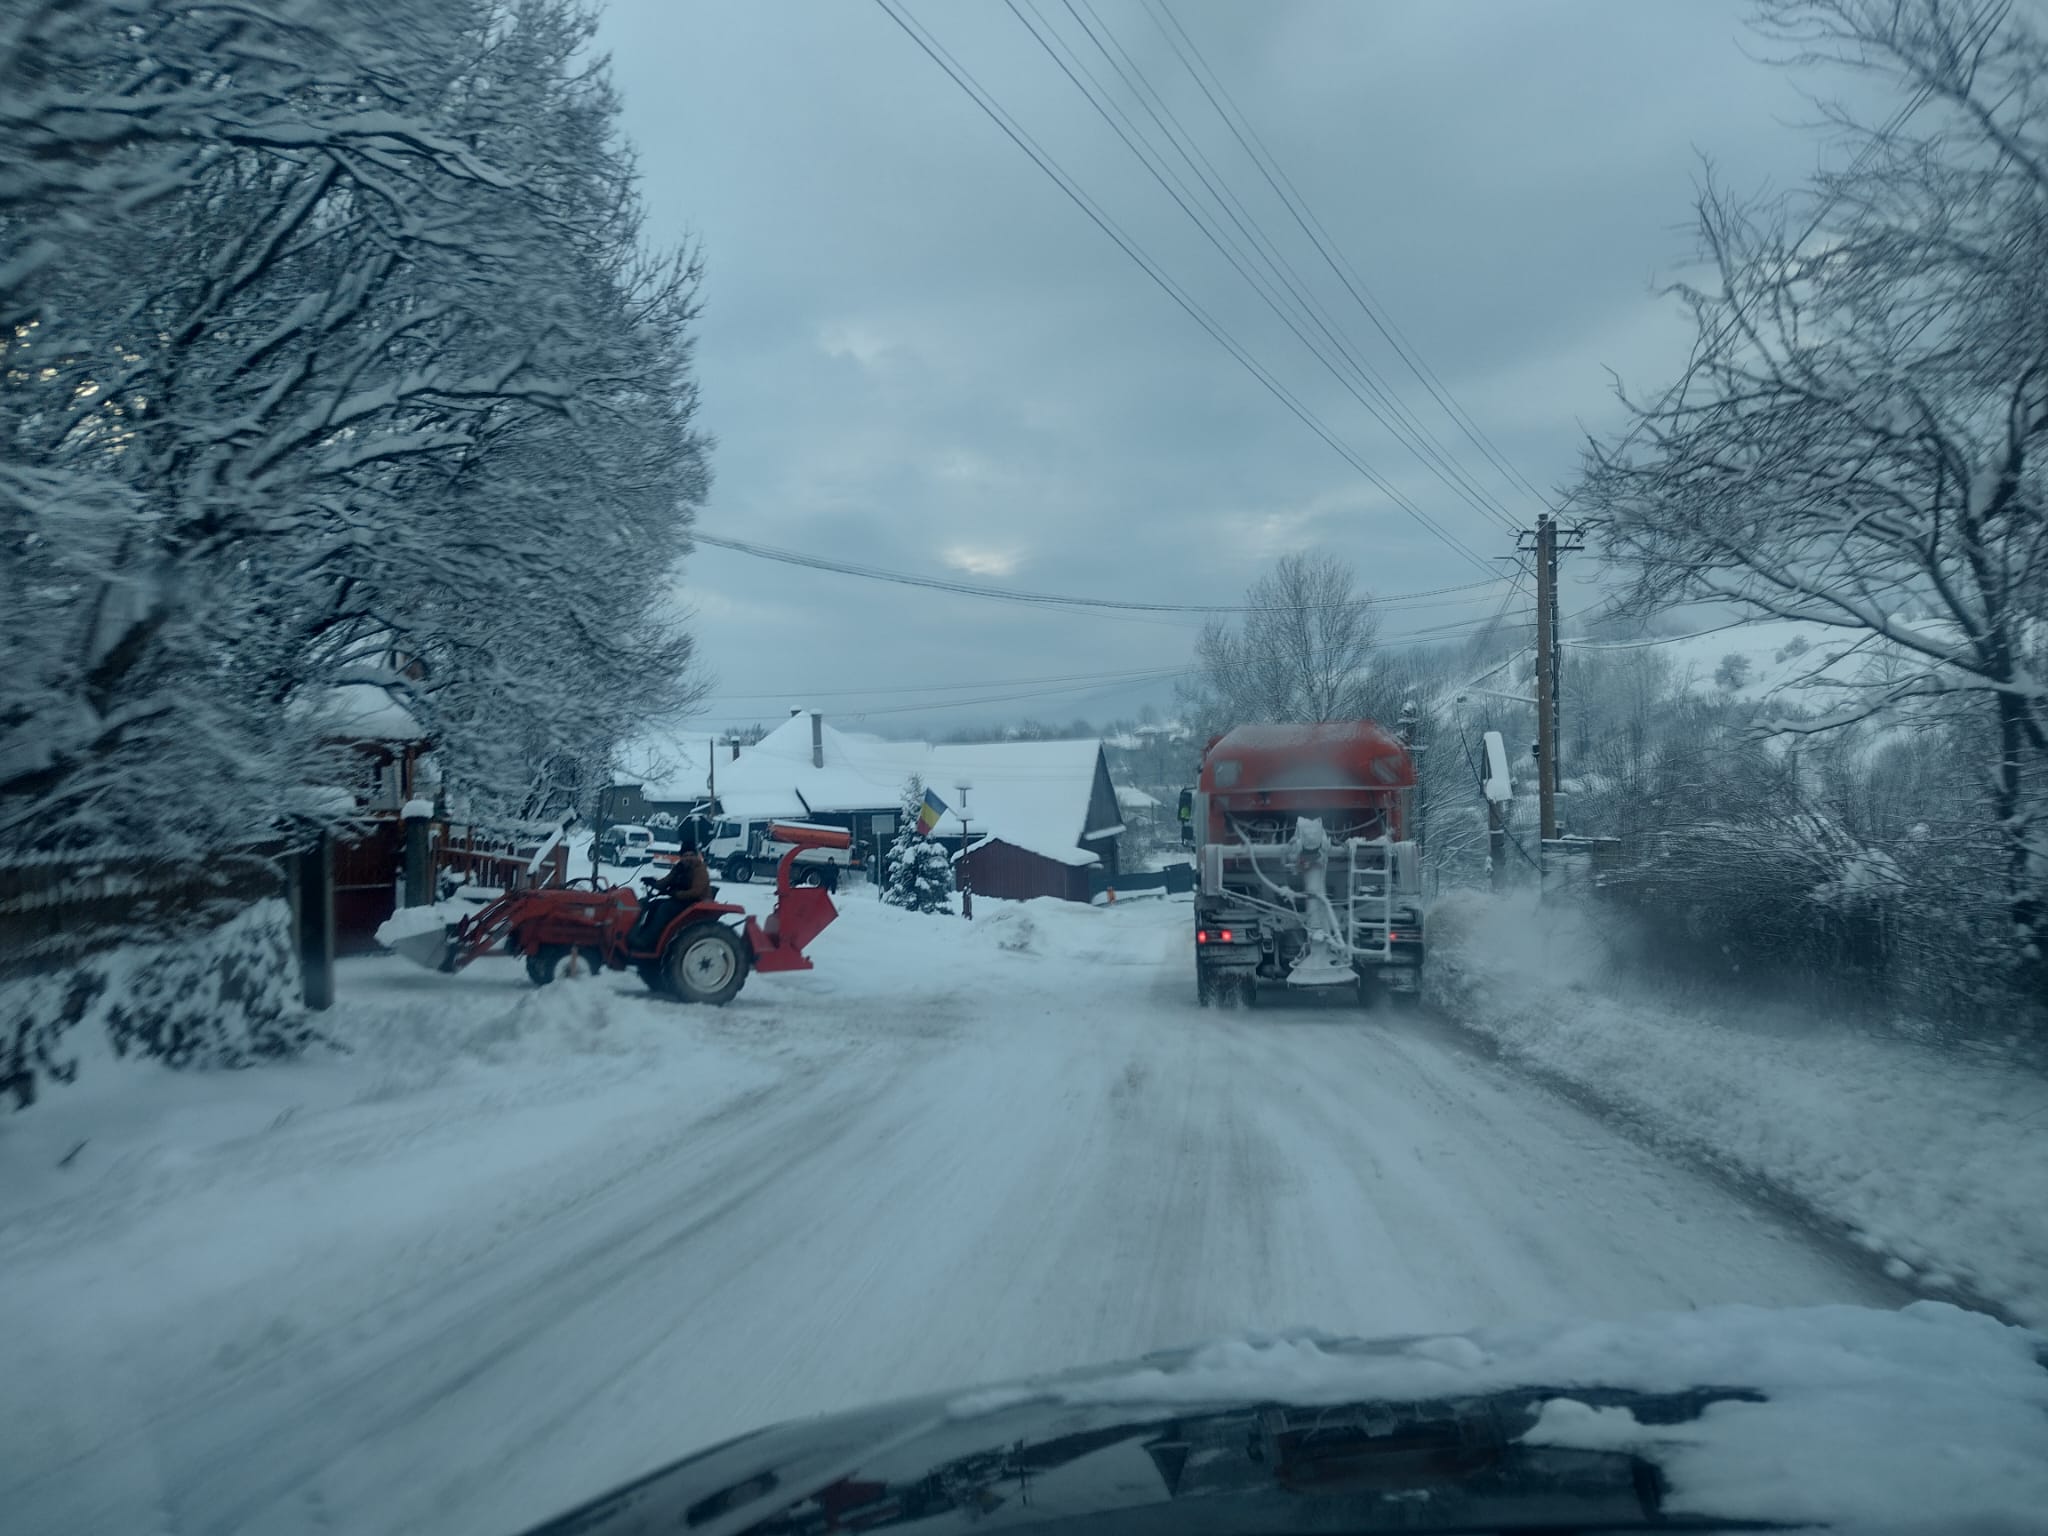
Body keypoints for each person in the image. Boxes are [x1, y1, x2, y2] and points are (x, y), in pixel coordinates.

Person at [633, 838, 711, 950]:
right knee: (653, 905)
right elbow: (667, 881)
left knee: (664, 909)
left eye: (691, 855)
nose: (688, 858)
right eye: (685, 855)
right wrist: (654, 883)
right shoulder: (679, 868)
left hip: (696, 903)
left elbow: (696, 892)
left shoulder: (699, 869)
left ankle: (647, 940)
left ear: (695, 855)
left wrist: (677, 894)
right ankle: (644, 934)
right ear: (681, 856)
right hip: (682, 900)